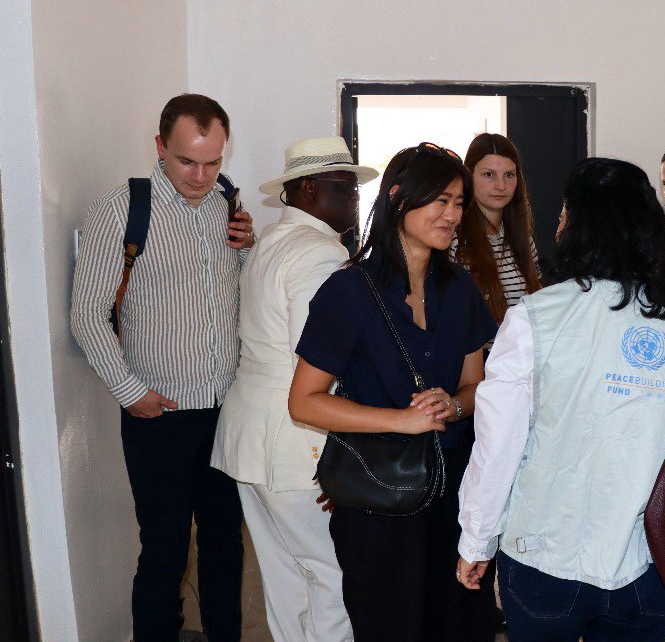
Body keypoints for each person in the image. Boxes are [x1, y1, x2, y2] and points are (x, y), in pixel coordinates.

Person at [455, 157, 665, 642]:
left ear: (578, 226)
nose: (558, 223)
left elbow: (498, 448)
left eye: (564, 212)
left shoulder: (534, 319)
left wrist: (476, 539)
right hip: (647, 565)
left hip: (544, 558)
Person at [288, 142, 498, 642]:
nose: (453, 214)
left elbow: (476, 385)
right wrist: (399, 419)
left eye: (459, 202)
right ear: (400, 198)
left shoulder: (459, 287)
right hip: (379, 498)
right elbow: (304, 401)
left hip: (457, 493)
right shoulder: (349, 290)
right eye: (441, 201)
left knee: (459, 626)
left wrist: (454, 403)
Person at [70, 94, 255, 641]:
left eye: (213, 162)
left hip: (225, 410)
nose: (200, 175)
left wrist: (248, 248)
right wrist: (132, 393)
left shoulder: (229, 206)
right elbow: (86, 314)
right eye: (186, 161)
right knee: (164, 552)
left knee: (225, 544)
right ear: (159, 147)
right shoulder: (122, 209)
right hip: (159, 415)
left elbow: (235, 295)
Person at [210, 136, 377, 642]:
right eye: (344, 188)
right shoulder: (319, 255)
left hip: (250, 433)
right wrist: (334, 455)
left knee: (285, 575)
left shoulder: (273, 242)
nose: (354, 199)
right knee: (333, 573)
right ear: (307, 189)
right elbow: (319, 361)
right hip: (296, 440)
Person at [452, 133, 541, 323]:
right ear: (469, 175)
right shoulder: (453, 237)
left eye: (509, 175)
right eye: (489, 174)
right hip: (474, 352)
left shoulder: (523, 238)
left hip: (521, 351)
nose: (501, 185)